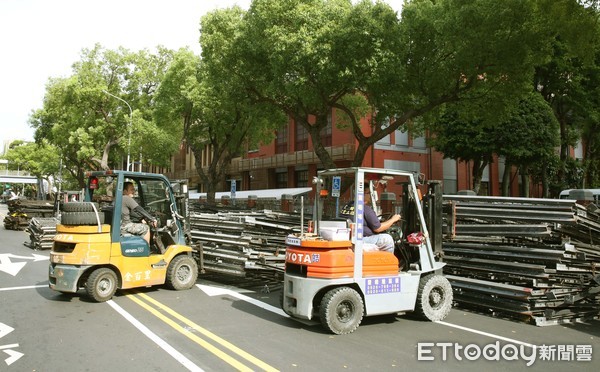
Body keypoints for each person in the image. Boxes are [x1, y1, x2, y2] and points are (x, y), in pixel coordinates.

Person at [121, 181, 157, 246]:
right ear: (124, 191)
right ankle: (146, 249)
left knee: (141, 224)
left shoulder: (118, 199)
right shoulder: (126, 198)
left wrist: (141, 218)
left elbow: (133, 213)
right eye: (131, 190)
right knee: (146, 228)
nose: (134, 191)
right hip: (125, 226)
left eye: (134, 189)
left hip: (121, 225)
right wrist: (152, 219)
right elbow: (139, 209)